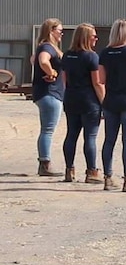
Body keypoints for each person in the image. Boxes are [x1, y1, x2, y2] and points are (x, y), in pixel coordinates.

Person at [99, 19, 126, 192]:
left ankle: (108, 178)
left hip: (110, 101)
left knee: (109, 140)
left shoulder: (105, 53)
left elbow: (101, 80)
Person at [61, 23, 105, 183]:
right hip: (89, 101)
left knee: (71, 135)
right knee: (90, 136)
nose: (96, 39)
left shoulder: (67, 55)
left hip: (71, 98)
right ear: (86, 37)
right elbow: (97, 83)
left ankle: (69, 170)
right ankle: (91, 172)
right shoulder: (91, 56)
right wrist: (104, 103)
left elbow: (64, 81)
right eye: (93, 36)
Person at [32, 18, 66, 176]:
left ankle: (44, 163)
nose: (61, 34)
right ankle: (45, 164)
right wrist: (51, 72)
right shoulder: (47, 47)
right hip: (50, 93)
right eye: (59, 31)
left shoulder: (43, 46)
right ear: (51, 31)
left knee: (46, 129)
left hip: (47, 93)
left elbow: (34, 59)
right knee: (47, 130)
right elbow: (42, 60)